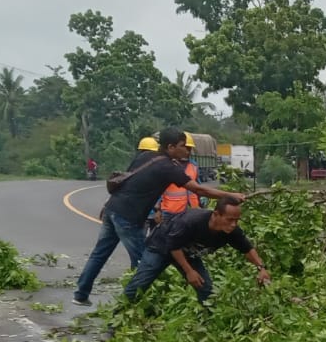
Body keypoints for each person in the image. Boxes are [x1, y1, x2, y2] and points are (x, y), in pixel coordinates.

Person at [72, 127, 242, 306]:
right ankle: (137, 307)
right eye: (183, 146)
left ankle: (81, 295)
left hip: (112, 209)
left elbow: (128, 182)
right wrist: (229, 196)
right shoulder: (168, 167)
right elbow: (198, 189)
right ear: (170, 147)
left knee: (100, 254)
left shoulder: (145, 157)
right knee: (145, 262)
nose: (187, 151)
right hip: (128, 217)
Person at [122, 197, 270, 304]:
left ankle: (209, 320)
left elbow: (247, 249)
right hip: (160, 247)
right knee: (140, 284)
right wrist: (189, 271)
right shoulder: (192, 221)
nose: (233, 224)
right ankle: (116, 319)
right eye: (229, 219)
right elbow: (173, 246)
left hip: (188, 253)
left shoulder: (231, 231)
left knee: (205, 288)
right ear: (216, 214)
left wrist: (261, 268)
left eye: (236, 220)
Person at [150, 133, 202, 226]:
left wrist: (201, 202)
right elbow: (158, 190)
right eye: (185, 148)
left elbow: (198, 187)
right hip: (170, 212)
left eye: (189, 149)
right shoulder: (167, 166)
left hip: (192, 211)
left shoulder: (194, 166)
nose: (187, 151)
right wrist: (158, 210)